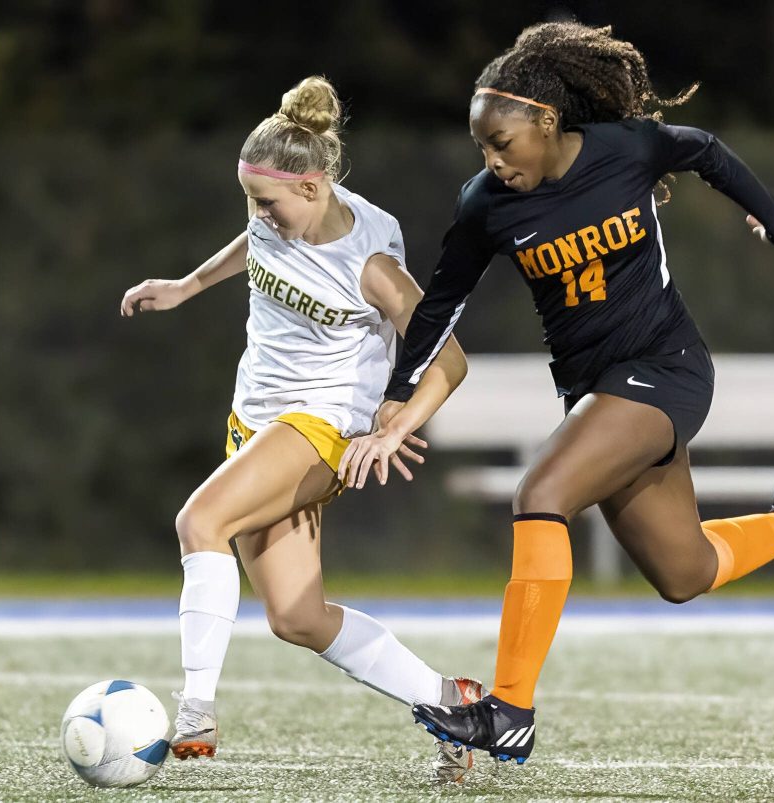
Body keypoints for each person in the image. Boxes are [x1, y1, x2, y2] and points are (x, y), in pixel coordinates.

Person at [338, 23, 774, 764]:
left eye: (502, 143)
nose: (492, 160)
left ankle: (509, 710)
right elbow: (441, 304)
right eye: (481, 147)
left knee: (541, 493)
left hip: (666, 367)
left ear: (546, 121)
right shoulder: (486, 203)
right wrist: (399, 394)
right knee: (685, 572)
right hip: (597, 394)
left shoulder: (625, 150)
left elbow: (702, 148)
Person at [120, 75, 483, 783]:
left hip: (320, 428)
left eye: (267, 202)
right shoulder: (275, 217)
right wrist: (188, 286)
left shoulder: (371, 264)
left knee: (199, 521)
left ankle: (195, 710)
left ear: (314, 188)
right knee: (296, 616)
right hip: (255, 422)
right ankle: (453, 703)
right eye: (251, 200)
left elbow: (450, 359)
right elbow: (254, 244)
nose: (258, 215)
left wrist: (394, 426)